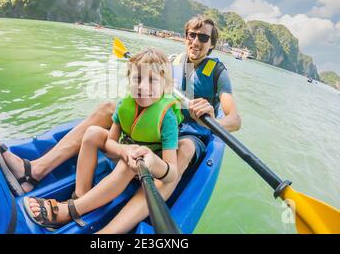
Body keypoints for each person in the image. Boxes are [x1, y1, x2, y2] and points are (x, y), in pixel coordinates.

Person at [96, 15, 242, 233]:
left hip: (193, 133)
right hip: (165, 122)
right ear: (185, 37)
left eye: (203, 37)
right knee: (108, 107)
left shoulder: (218, 73)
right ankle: (38, 167)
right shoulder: (172, 61)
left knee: (185, 148)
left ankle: (109, 232)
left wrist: (212, 116)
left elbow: (235, 120)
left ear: (211, 44)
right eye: (191, 35)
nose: (196, 41)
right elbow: (149, 77)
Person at [23, 49, 183, 229]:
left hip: (142, 171)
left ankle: (73, 210)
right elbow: (109, 142)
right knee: (92, 133)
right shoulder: (125, 105)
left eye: (152, 80)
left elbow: (172, 173)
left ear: (166, 86)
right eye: (137, 79)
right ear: (129, 79)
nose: (143, 87)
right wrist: (123, 150)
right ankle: (80, 196)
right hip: (121, 154)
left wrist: (148, 161)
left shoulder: (167, 119)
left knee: (128, 163)